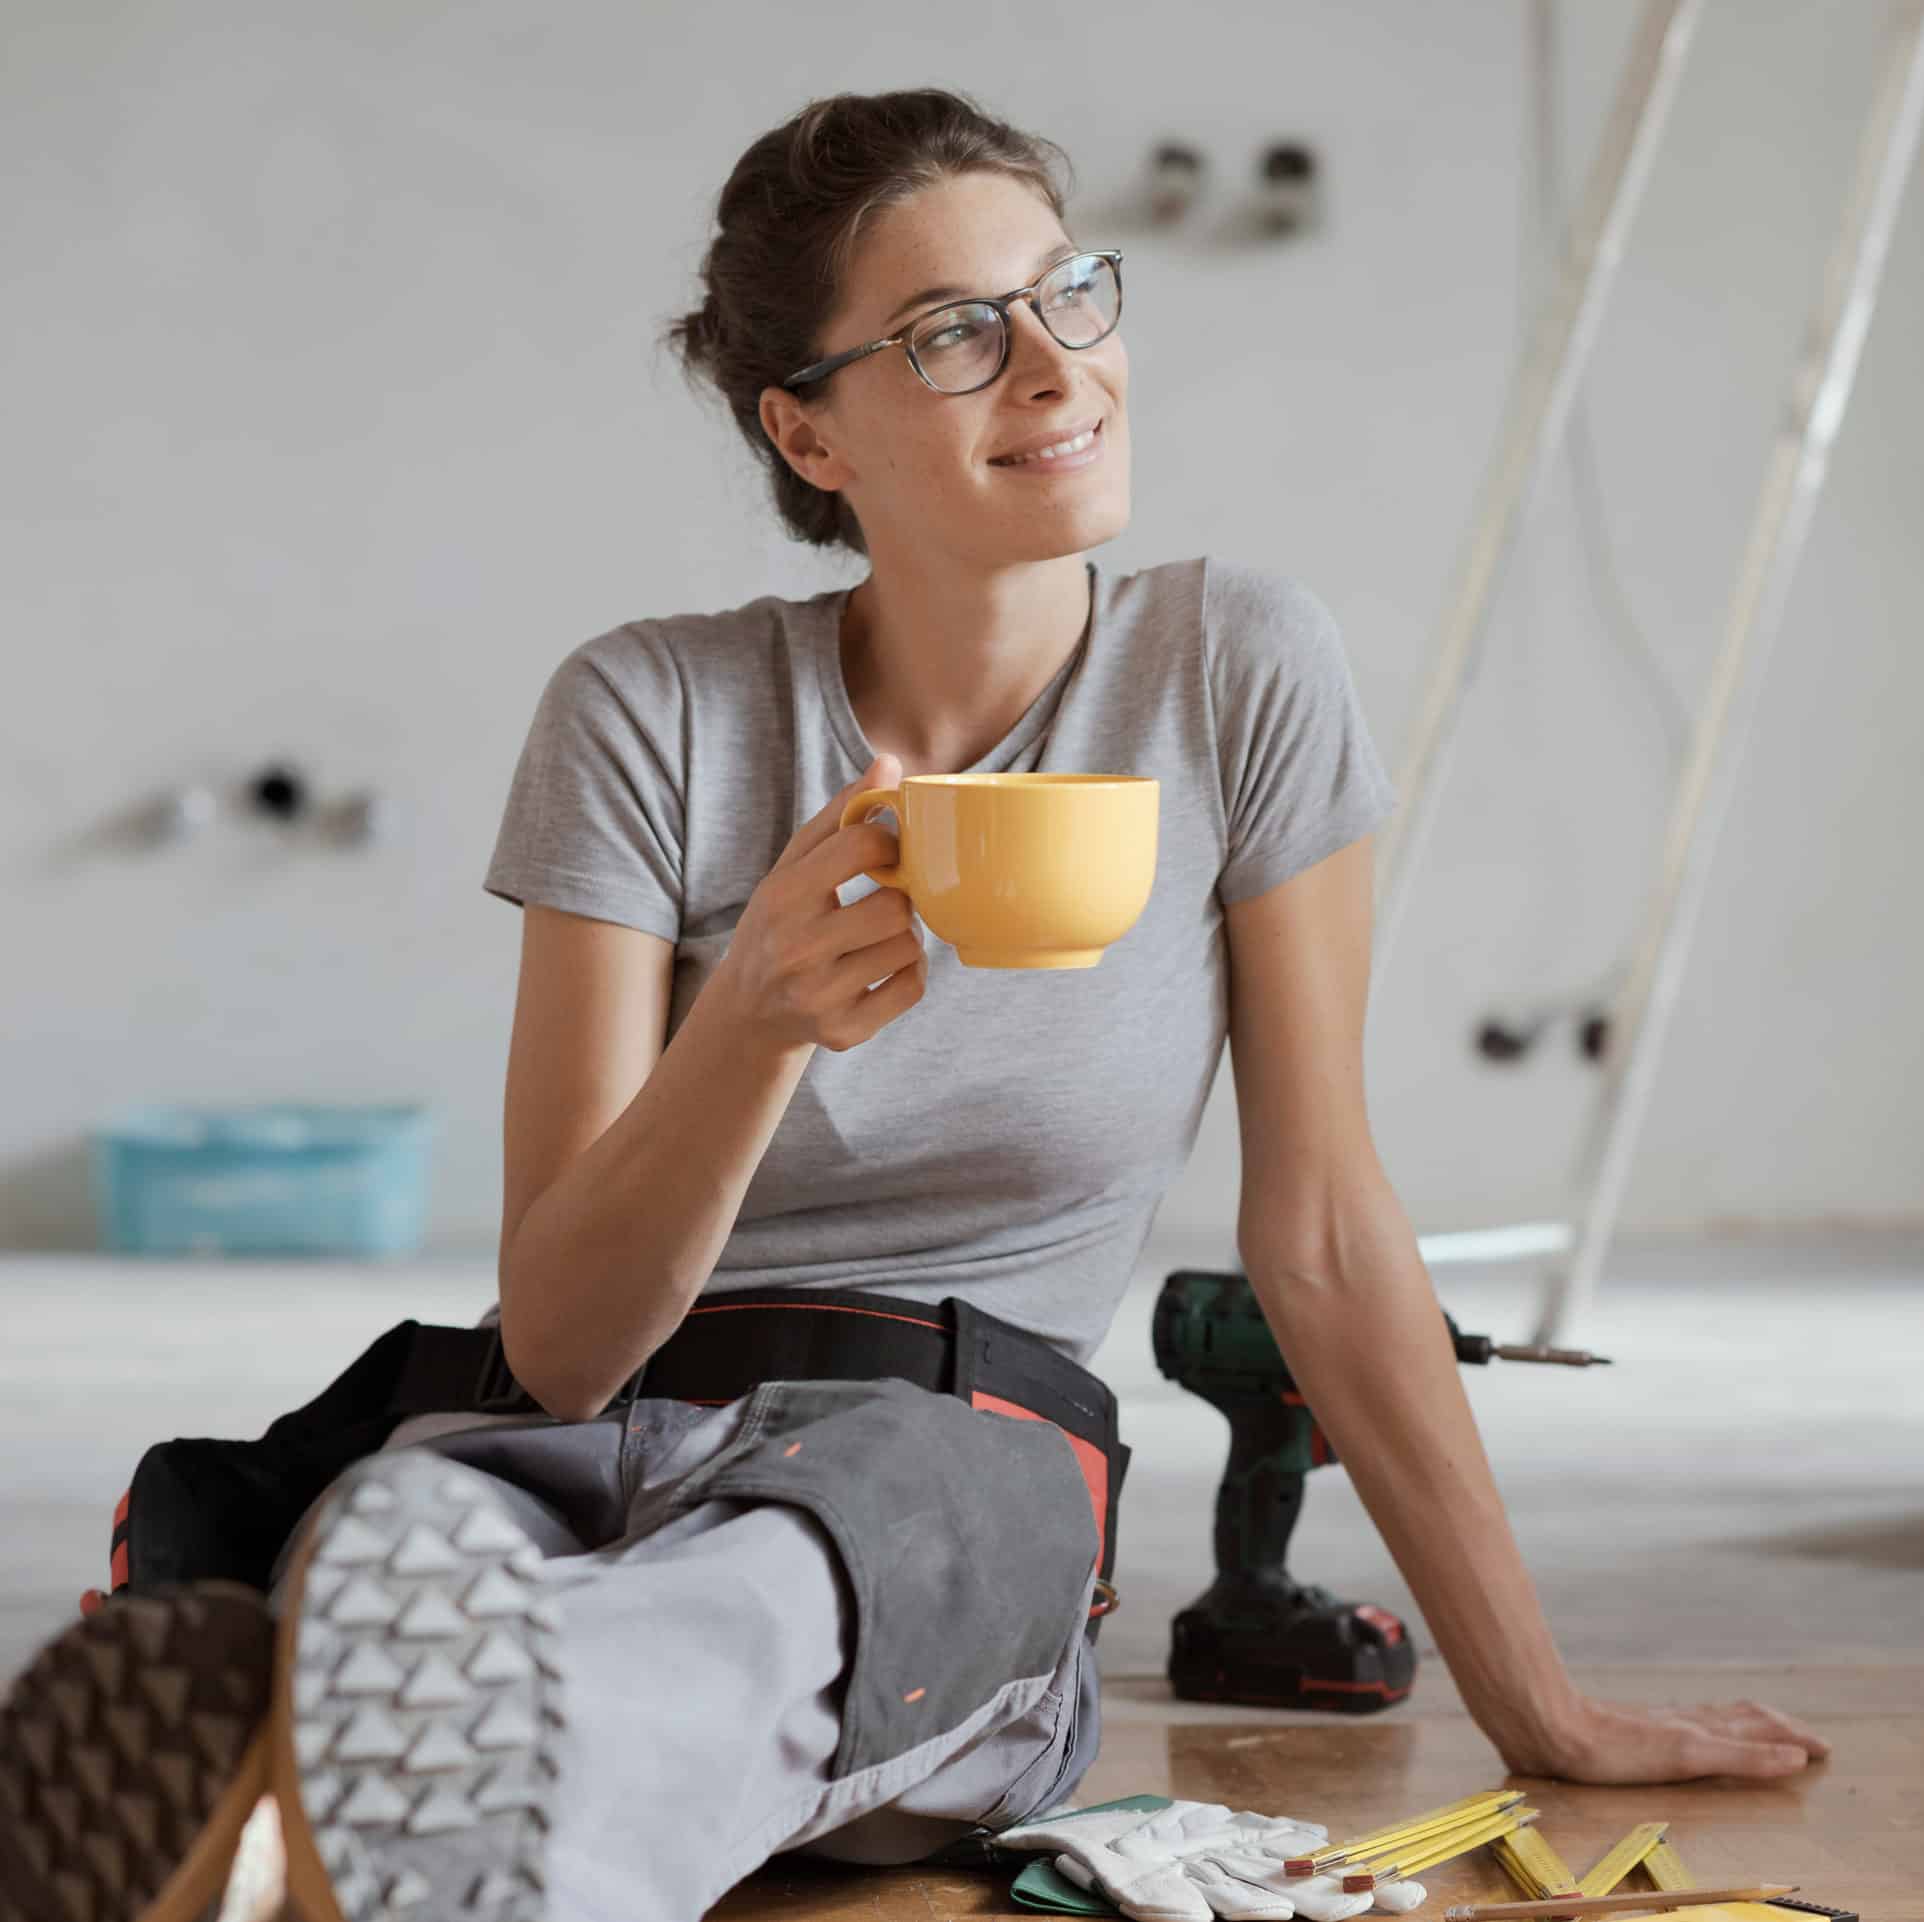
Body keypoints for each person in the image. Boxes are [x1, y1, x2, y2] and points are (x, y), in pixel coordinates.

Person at [0, 87, 1828, 1922]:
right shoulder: (649, 711)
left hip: (950, 1462)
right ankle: (411, 1777)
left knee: (777, 1579)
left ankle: (347, 1800)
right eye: (958, 333)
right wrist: (751, 1029)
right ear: (808, 428)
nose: (1054, 367)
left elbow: (1329, 1234)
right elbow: (556, 1344)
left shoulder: (1231, 670)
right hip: (563, 1441)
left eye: (1069, 294)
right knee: (438, 1520)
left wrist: (1542, 1704)